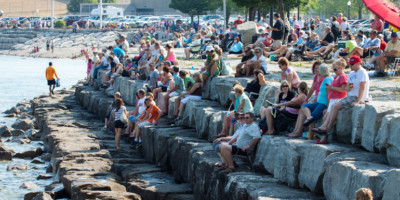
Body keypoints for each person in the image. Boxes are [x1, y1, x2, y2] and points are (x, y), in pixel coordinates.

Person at [313, 56, 370, 140]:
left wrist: (358, 101)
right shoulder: (352, 73)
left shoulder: (362, 72)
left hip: (356, 97)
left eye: (352, 64)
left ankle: (328, 127)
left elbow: (362, 87)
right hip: (350, 96)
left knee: (336, 106)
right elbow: (348, 87)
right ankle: (325, 127)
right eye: (350, 64)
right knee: (333, 106)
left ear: (358, 63)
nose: (350, 66)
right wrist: (348, 88)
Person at [287, 64, 332, 138]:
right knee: (303, 107)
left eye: (319, 69)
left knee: (313, 117)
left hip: (322, 103)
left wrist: (328, 107)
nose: (317, 71)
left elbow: (328, 94)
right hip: (318, 102)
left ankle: (310, 136)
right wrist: (307, 99)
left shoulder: (327, 79)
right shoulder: (324, 78)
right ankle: (297, 130)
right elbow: (312, 89)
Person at [312, 59, 348, 144]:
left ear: (342, 68)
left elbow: (344, 89)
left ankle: (324, 132)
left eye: (336, 69)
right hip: (332, 99)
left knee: (326, 118)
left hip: (337, 99)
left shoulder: (343, 76)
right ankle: (324, 137)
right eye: (333, 69)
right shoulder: (336, 76)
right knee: (325, 117)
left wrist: (332, 88)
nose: (334, 71)